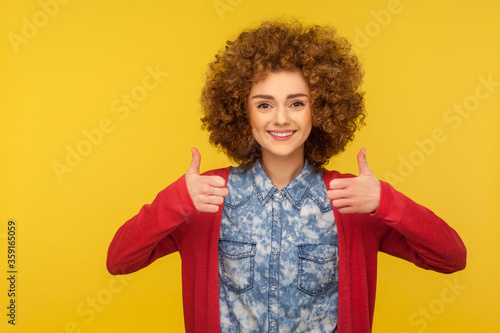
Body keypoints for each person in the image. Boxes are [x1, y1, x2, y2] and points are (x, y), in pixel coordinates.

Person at [107, 20, 466, 333]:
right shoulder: (206, 196)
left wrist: (386, 201)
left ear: (320, 109)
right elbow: (120, 260)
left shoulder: (352, 199)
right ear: (241, 112)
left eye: (297, 103)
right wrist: (176, 201)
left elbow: (451, 257)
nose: (281, 119)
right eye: (264, 104)